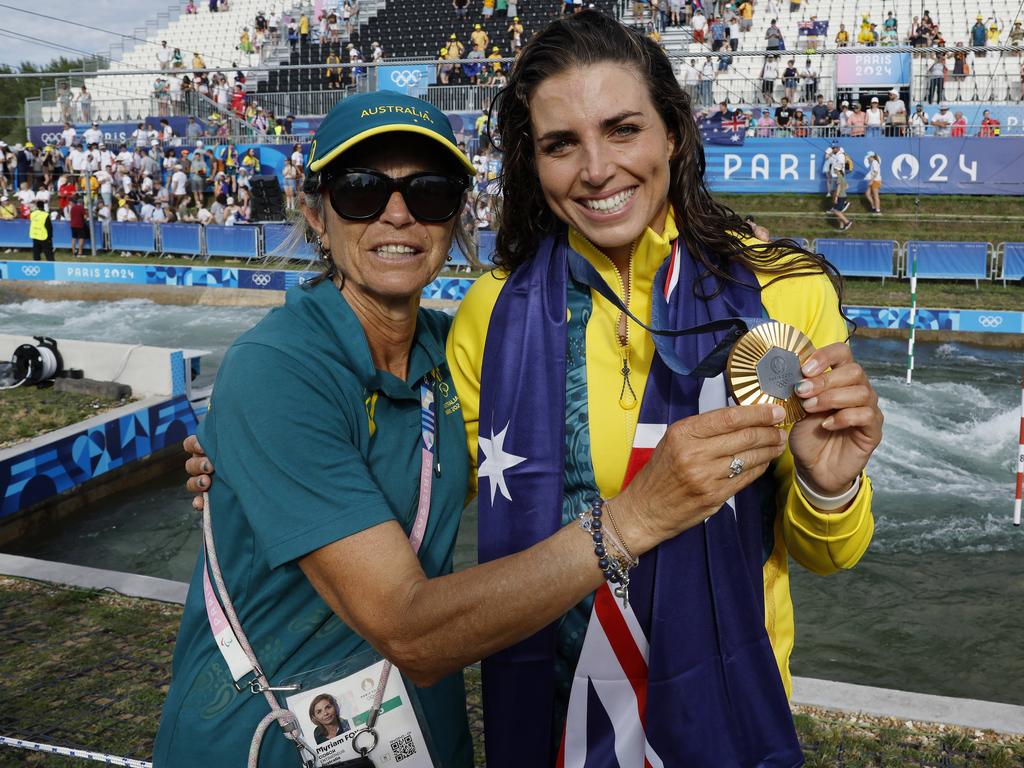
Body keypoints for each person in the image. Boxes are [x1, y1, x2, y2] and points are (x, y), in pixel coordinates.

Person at [165, 90, 752, 767]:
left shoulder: (462, 349)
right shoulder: (276, 369)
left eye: (430, 192)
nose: (397, 213)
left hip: (417, 735)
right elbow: (410, 629)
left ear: (456, 217)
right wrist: (631, 522)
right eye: (360, 190)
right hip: (270, 739)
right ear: (315, 214)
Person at [451, 12, 878, 766]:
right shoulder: (491, 309)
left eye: (622, 129)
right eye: (560, 144)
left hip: (724, 725)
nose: (595, 168)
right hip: (551, 726)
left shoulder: (787, 291)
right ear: (532, 162)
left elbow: (829, 557)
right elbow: (427, 483)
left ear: (673, 133)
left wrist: (827, 488)